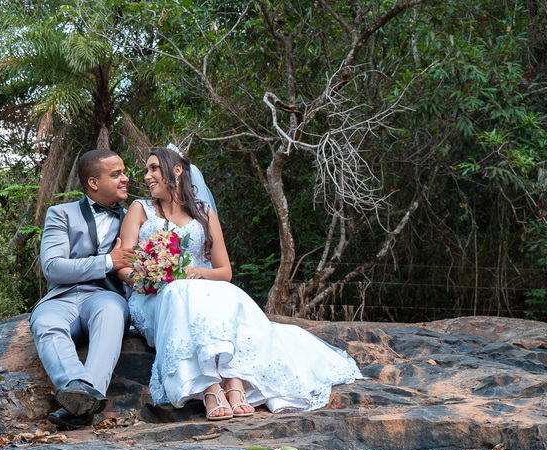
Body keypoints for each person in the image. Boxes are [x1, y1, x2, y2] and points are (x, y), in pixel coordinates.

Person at [115, 147, 362, 419]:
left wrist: (196, 272)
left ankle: (235, 380)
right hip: (154, 296)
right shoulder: (140, 210)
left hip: (198, 289)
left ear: (176, 170)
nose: (147, 176)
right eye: (146, 170)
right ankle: (209, 387)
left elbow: (224, 271)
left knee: (229, 294)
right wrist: (154, 277)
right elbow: (123, 267)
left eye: (154, 168)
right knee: (177, 291)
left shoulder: (204, 212)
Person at [31, 149, 137, 430]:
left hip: (105, 296)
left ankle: (81, 402)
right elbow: (53, 267)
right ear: (93, 182)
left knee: (111, 313)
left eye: (124, 172)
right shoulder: (60, 213)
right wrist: (107, 262)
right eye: (116, 174)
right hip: (61, 297)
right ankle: (77, 390)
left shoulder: (133, 219)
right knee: (45, 322)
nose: (125, 178)